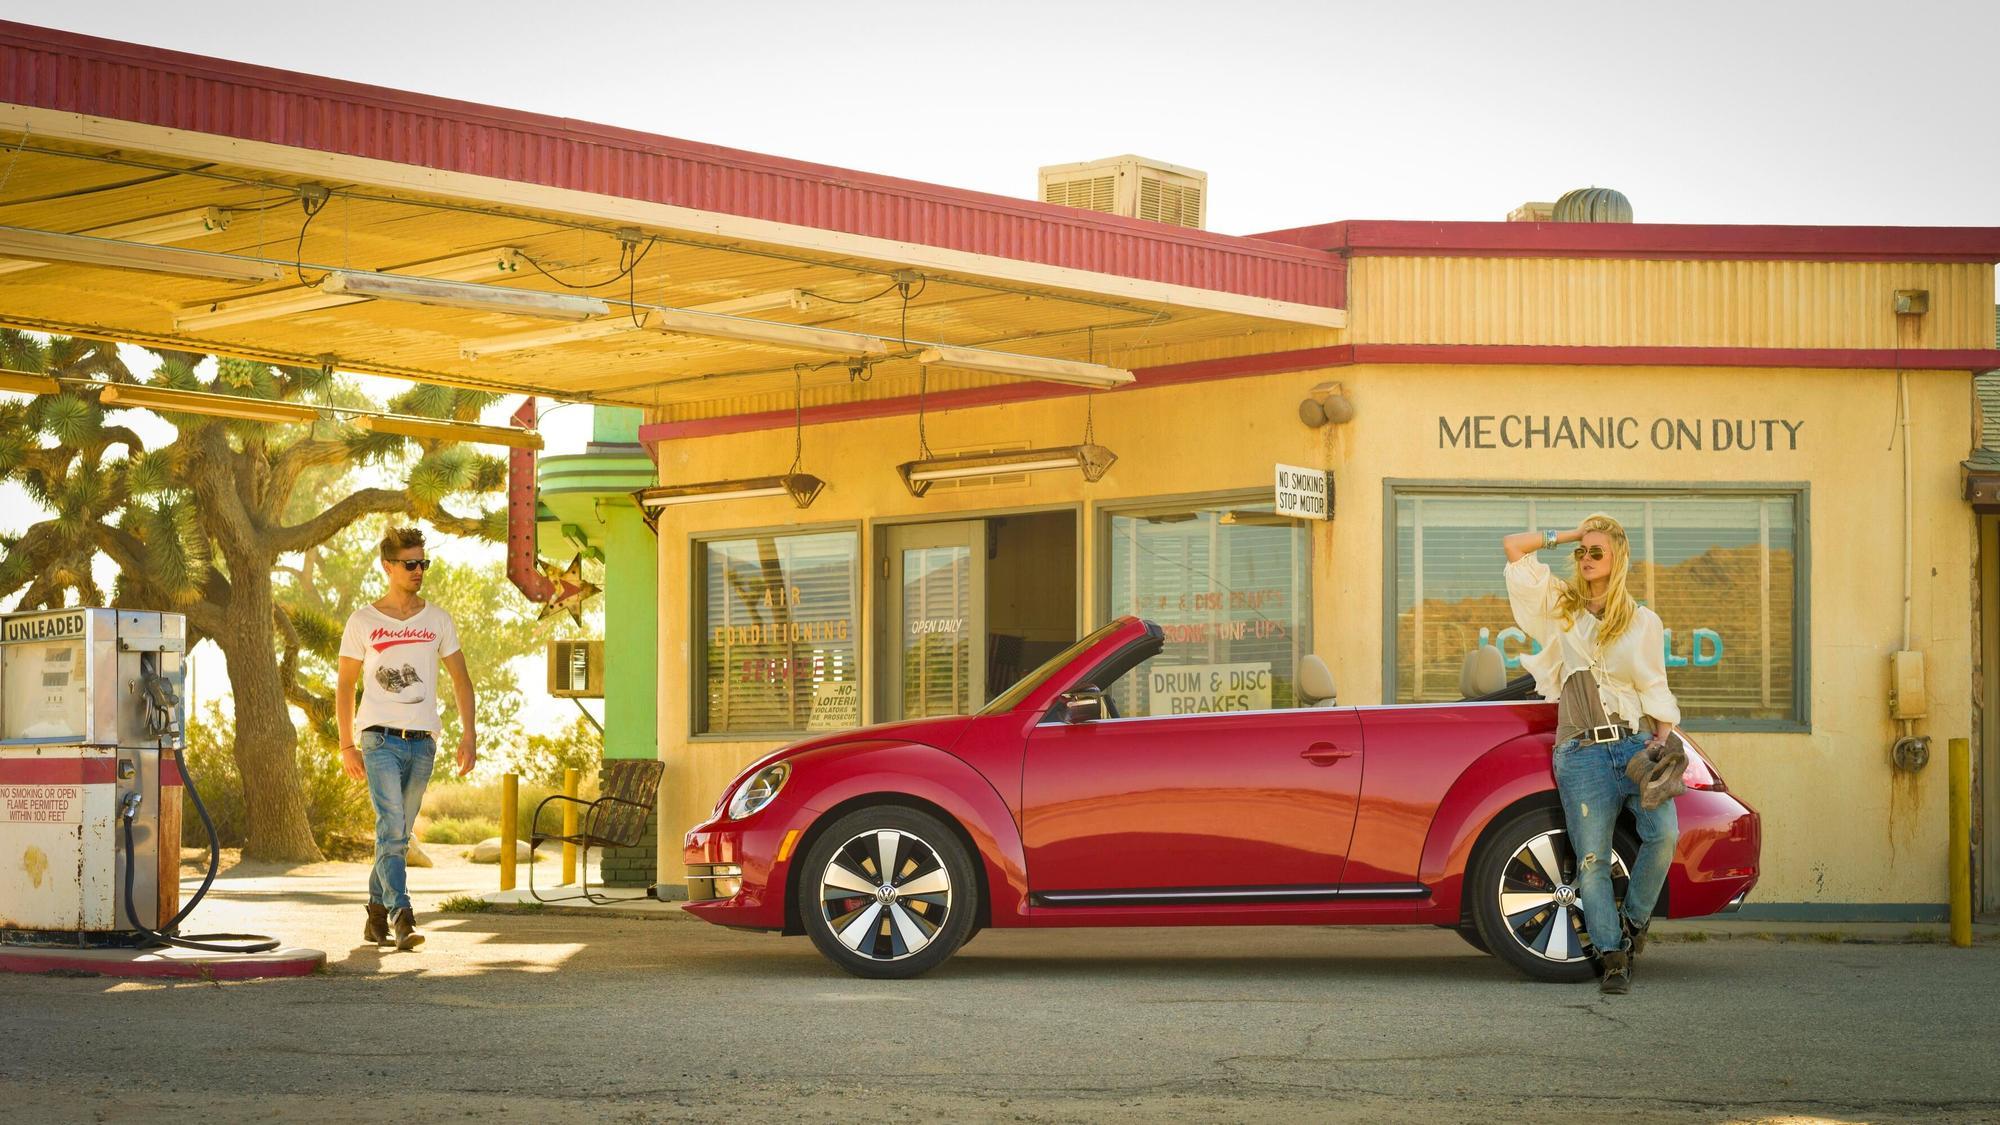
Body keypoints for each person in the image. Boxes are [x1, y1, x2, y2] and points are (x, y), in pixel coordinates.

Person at [1501, 514, 1680, 995]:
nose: (1585, 558)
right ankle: (1613, 957)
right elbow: (1514, 547)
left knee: (1664, 834)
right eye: (1582, 552)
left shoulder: (1642, 621)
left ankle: (1634, 921)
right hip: (1581, 753)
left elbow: (1654, 686)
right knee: (1593, 860)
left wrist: (1662, 740)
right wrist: (1573, 534)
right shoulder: (1562, 608)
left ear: (1618, 559)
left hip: (1635, 746)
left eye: (1596, 551)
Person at [337, 526, 477, 951]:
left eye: (423, 563)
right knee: (392, 829)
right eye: (411, 563)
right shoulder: (363, 621)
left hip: (423, 741)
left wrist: (469, 734)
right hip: (379, 740)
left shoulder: (437, 620)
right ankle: (403, 916)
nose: (419, 570)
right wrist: (347, 744)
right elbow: (345, 684)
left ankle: (375, 915)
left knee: (396, 834)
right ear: (388, 566)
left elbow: (461, 679)